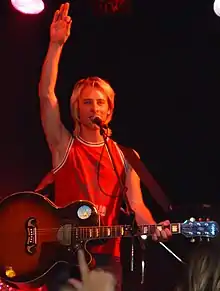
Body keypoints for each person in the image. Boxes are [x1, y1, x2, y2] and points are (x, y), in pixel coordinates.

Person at [38, 2, 172, 291]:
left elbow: (136, 205)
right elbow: (47, 97)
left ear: (109, 110)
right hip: (65, 257)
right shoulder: (64, 145)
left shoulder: (125, 156)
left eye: (100, 102)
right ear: (76, 108)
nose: (94, 107)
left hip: (107, 259)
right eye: (87, 102)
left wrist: (154, 227)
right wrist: (55, 45)